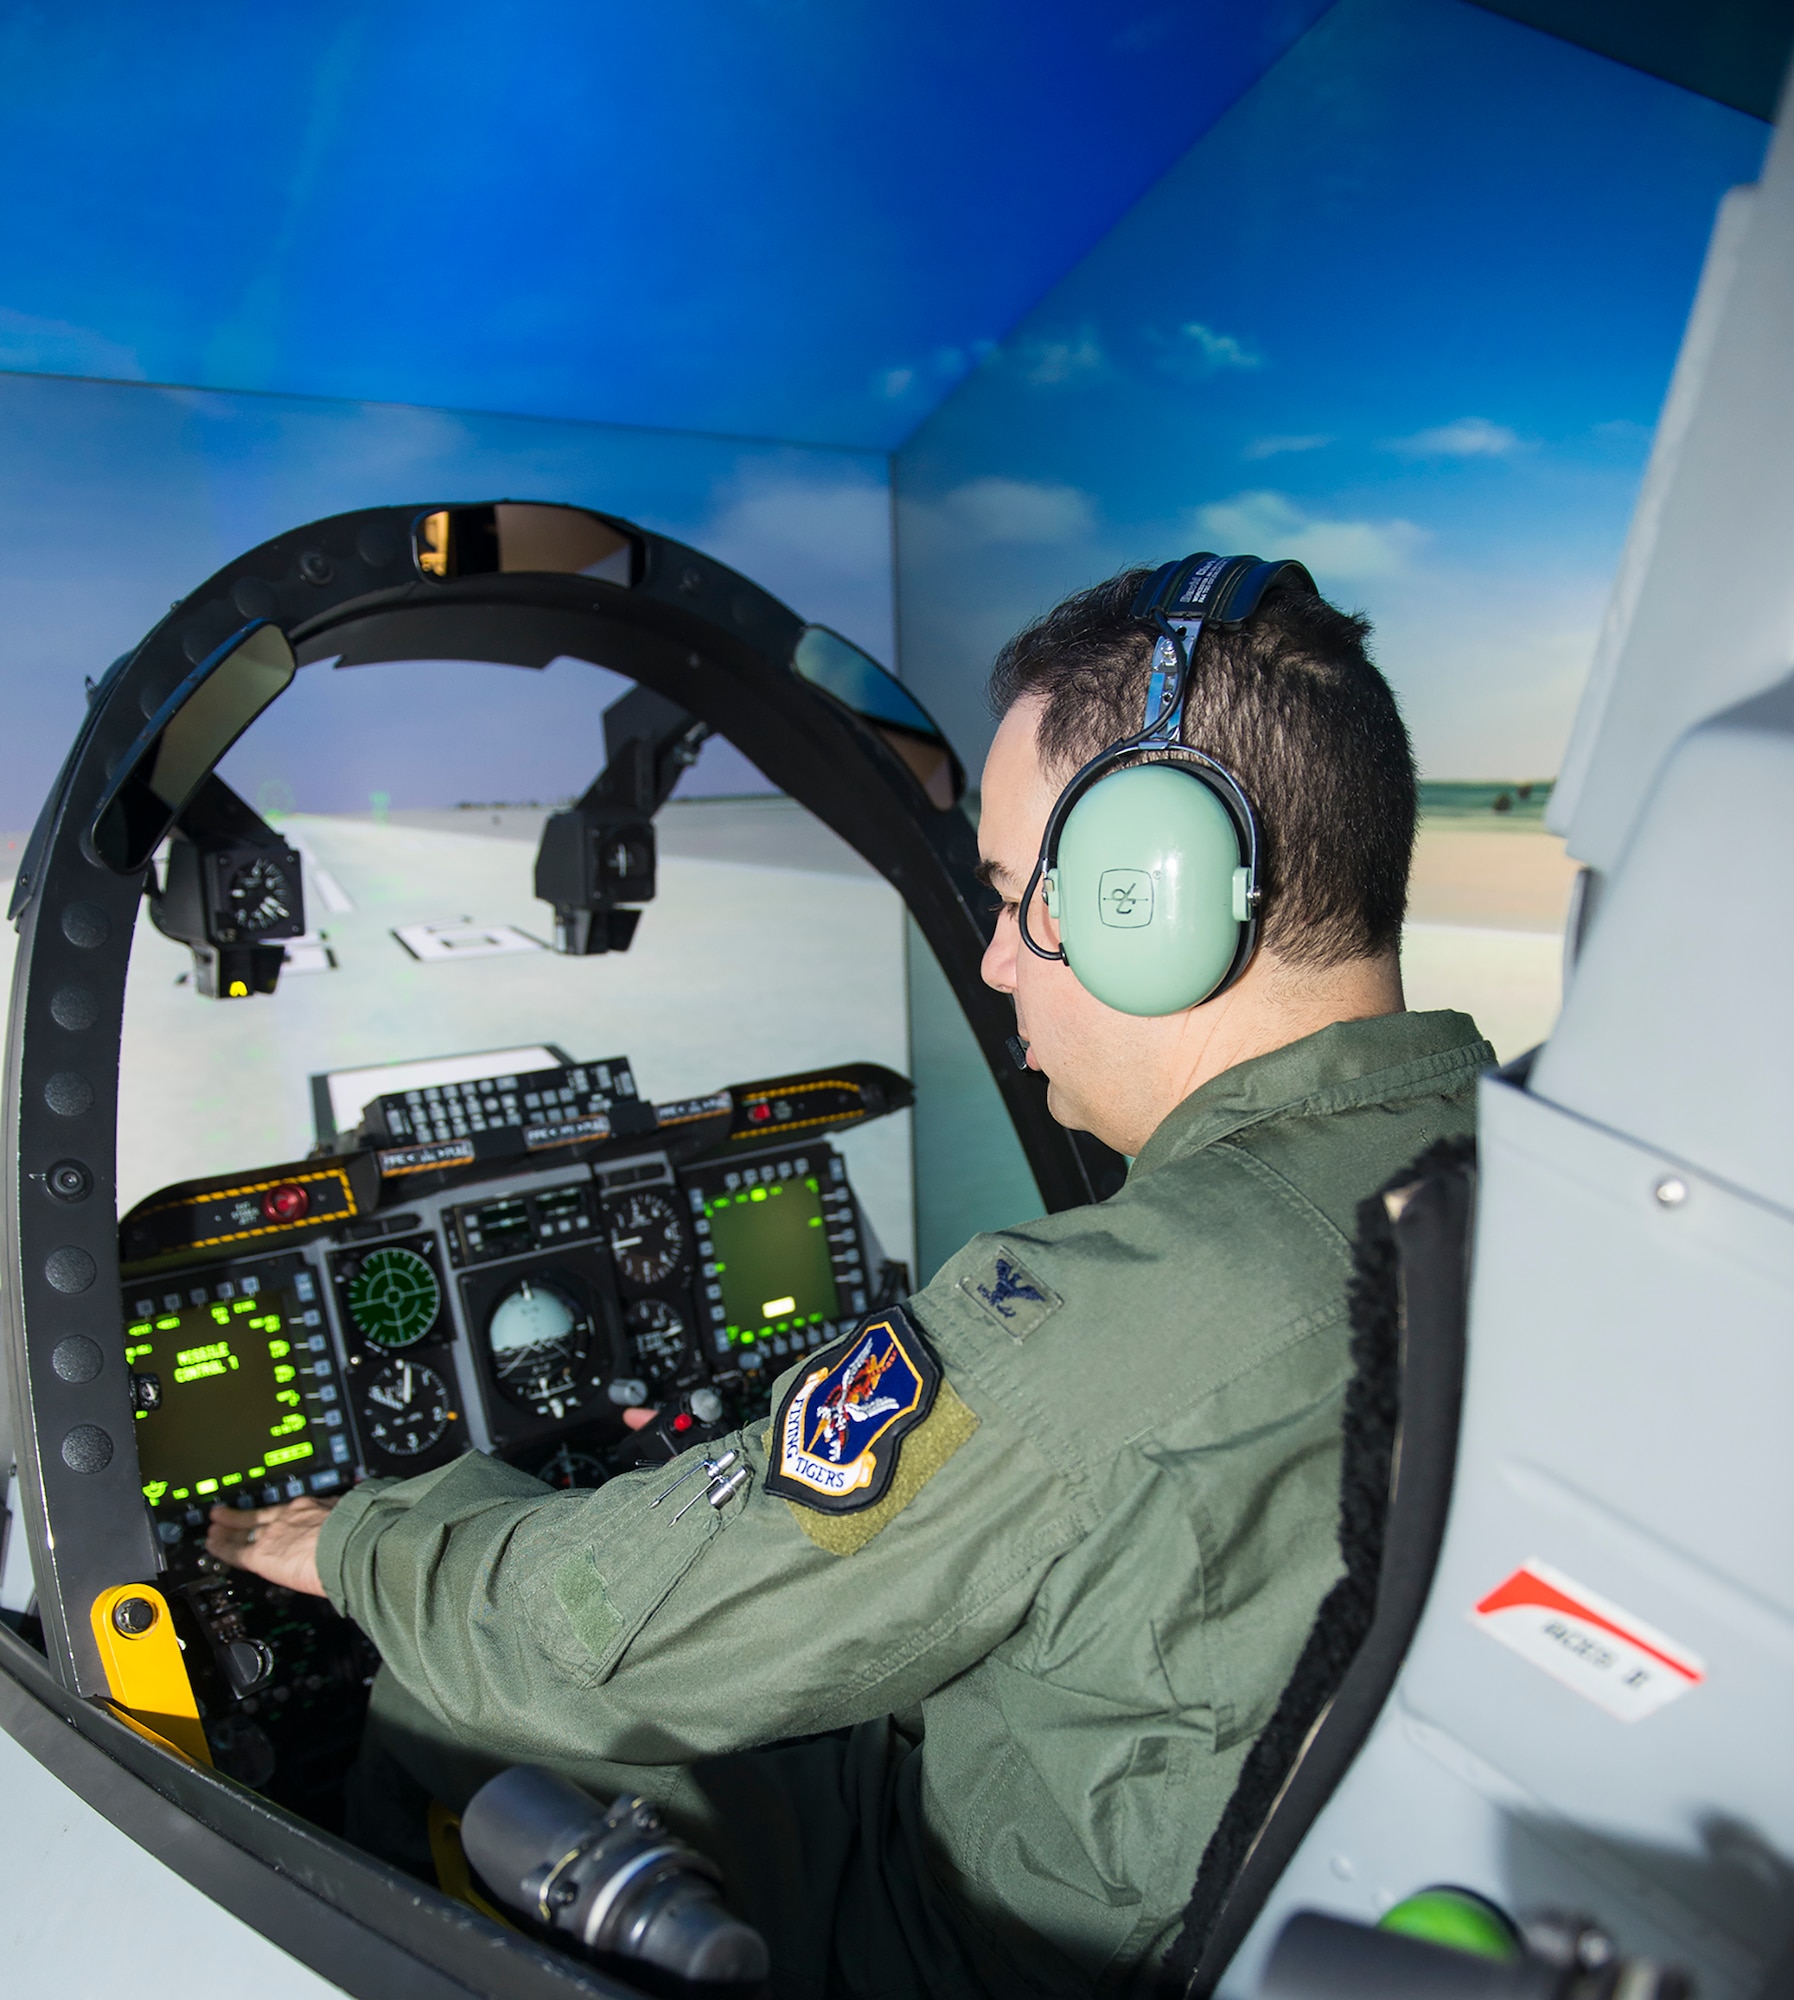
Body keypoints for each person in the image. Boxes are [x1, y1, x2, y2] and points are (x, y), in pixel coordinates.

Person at [210, 561, 1492, 2000]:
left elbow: (602, 1644)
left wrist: (362, 1545)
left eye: (1021, 901)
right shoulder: (1504, 1161)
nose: (1000, 963)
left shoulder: (1109, 1318)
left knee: (438, 1698)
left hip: (992, 1935)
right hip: (1239, 1873)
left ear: (1158, 900)